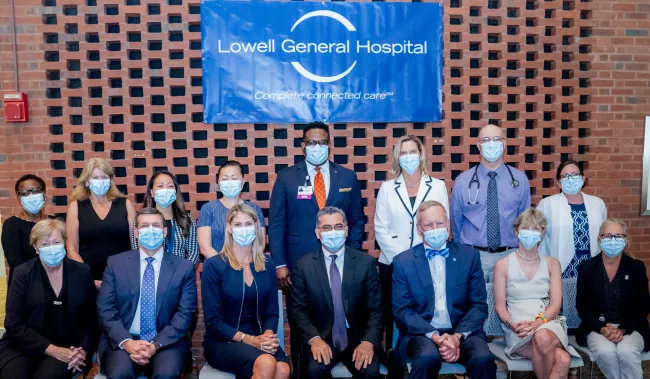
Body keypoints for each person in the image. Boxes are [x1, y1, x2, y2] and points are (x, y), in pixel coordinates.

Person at [269, 122, 366, 373]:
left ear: (330, 145)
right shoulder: (286, 177)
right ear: (303, 146)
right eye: (312, 143)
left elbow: (356, 220)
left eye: (322, 142)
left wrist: (351, 255)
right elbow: (277, 224)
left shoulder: (347, 177)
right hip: (299, 267)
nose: (317, 147)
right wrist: (280, 264)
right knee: (302, 324)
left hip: (340, 264)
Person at [392, 200, 495, 379]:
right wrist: (434, 336)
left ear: (447, 224)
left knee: (483, 358)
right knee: (426, 358)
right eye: (428, 225)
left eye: (439, 223)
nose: (435, 228)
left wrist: (457, 337)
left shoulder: (469, 256)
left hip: (462, 331)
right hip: (423, 332)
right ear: (419, 229)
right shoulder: (403, 262)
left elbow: (479, 305)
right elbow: (402, 310)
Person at [97, 207, 197, 379]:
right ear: (136, 232)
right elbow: (105, 309)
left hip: (166, 342)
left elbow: (185, 314)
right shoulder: (116, 263)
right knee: (120, 374)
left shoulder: (183, 267)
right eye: (144, 226)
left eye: (156, 225)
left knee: (166, 374)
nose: (151, 230)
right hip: (124, 339)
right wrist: (127, 343)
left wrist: (154, 345)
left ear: (164, 232)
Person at [374, 134, 449, 351]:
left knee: (423, 311)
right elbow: (381, 228)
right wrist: (403, 260)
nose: (408, 157)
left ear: (421, 155)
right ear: (397, 157)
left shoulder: (437, 186)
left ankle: (425, 352)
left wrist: (418, 257)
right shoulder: (387, 187)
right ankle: (393, 356)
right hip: (392, 263)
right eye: (403, 153)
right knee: (392, 313)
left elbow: (442, 225)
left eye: (412, 152)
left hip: (428, 260)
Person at [291, 207, 382, 379]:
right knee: (313, 371)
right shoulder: (303, 266)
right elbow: (297, 311)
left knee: (370, 372)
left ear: (346, 231)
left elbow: (376, 310)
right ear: (318, 233)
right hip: (322, 335)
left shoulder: (365, 263)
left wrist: (368, 341)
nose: (333, 232)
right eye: (326, 228)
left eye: (338, 226)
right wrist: (314, 339)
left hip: (357, 336)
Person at [0, 219, 97, 379]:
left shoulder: (82, 272)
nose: (52, 248)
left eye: (56, 242)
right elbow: (13, 323)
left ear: (65, 242)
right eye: (45, 244)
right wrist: (53, 350)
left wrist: (83, 351)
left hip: (69, 346)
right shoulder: (22, 274)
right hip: (25, 344)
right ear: (36, 248)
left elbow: (92, 320)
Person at [202, 204, 290, 379]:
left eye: (248, 224)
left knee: (283, 370)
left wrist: (266, 336)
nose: (244, 230)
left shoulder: (267, 263)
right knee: (266, 363)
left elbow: (272, 313)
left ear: (256, 227)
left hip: (260, 338)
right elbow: (213, 322)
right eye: (238, 225)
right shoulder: (214, 266)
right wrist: (251, 340)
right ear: (229, 228)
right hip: (223, 341)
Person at [493, 208, 578, 379]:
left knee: (543, 337)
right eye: (526, 228)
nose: (530, 233)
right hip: (519, 329)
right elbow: (500, 306)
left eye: (536, 228)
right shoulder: (502, 265)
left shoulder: (552, 264)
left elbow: (555, 305)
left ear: (543, 233)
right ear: (516, 231)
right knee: (562, 359)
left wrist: (539, 323)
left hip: (549, 322)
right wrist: (512, 324)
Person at [450, 124, 531, 283]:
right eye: (486, 140)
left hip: (510, 256)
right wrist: (466, 253)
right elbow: (456, 223)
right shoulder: (462, 182)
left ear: (505, 144)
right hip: (474, 257)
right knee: (477, 305)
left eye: (497, 139)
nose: (491, 144)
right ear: (479, 146)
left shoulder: (519, 180)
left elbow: (525, 222)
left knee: (508, 305)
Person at [576, 218, 650, 379]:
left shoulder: (636, 266)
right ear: (599, 239)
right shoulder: (587, 267)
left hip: (631, 326)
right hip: (597, 326)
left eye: (618, 236)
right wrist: (602, 328)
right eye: (608, 235)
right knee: (605, 352)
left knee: (627, 352)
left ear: (626, 240)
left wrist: (623, 329)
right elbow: (582, 306)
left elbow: (643, 305)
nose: (613, 240)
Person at [66, 157, 135, 288]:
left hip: (123, 278)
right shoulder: (76, 207)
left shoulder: (125, 204)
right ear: (86, 182)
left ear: (110, 180)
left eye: (104, 177)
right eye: (95, 178)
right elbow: (72, 248)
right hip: (88, 280)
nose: (100, 182)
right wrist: (88, 278)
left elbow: (136, 244)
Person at [537, 160, 607, 278]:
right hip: (561, 266)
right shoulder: (546, 204)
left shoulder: (597, 203)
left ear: (583, 178)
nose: (570, 179)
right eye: (565, 176)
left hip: (592, 265)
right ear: (558, 183)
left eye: (575, 174)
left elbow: (604, 235)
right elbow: (538, 238)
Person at [198, 160, 266, 259]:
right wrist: (224, 266)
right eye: (225, 179)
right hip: (217, 269)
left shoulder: (254, 209)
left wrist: (245, 265)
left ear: (242, 182)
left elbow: (260, 244)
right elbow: (205, 248)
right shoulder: (208, 209)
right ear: (219, 182)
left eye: (234, 178)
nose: (230, 183)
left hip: (248, 266)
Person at [131, 170, 199, 265]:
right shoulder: (141, 220)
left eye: (170, 186)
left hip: (180, 274)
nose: (165, 190)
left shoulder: (186, 219)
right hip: (150, 273)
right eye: (160, 186)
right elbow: (136, 250)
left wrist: (183, 273)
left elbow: (194, 252)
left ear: (175, 192)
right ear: (152, 193)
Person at [2, 174, 49, 287]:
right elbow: (15, 262)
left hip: (55, 284)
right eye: (24, 193)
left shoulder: (54, 222)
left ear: (44, 194)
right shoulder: (12, 225)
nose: (31, 196)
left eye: (35, 190)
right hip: (25, 285)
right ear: (19, 198)